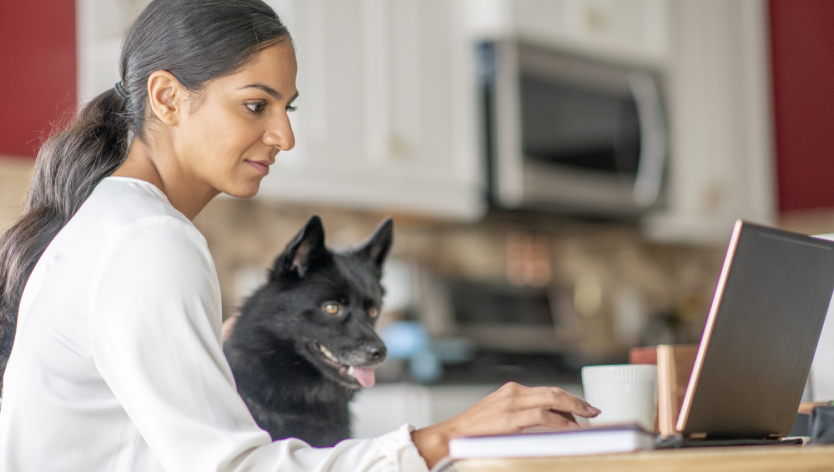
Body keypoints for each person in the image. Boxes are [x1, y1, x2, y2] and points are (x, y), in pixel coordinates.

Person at [0, 1, 599, 470]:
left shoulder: (113, 222)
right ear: (167, 98)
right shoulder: (151, 240)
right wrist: (449, 437)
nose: (284, 136)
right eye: (256, 106)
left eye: (289, 108)